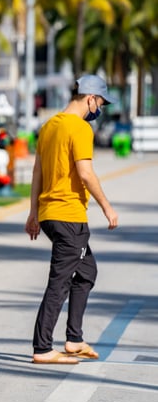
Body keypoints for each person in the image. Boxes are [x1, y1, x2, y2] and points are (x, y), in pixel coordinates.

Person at [25, 74, 119, 365]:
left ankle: (74, 340)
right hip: (69, 217)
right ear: (90, 99)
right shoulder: (79, 128)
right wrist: (107, 207)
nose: (99, 109)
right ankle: (42, 348)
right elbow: (85, 173)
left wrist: (33, 213)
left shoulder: (48, 126)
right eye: (100, 103)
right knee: (60, 282)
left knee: (87, 272)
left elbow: (37, 173)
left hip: (51, 215)